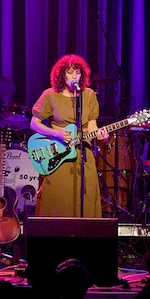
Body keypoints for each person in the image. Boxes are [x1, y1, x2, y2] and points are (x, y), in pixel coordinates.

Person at [29, 54, 109, 217]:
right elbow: (34, 123)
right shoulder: (50, 95)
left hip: (83, 156)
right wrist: (56, 133)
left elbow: (92, 127)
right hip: (58, 155)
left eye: (78, 72)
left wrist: (102, 136)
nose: (75, 76)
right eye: (70, 72)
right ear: (61, 74)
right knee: (58, 202)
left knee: (85, 202)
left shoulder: (89, 95)